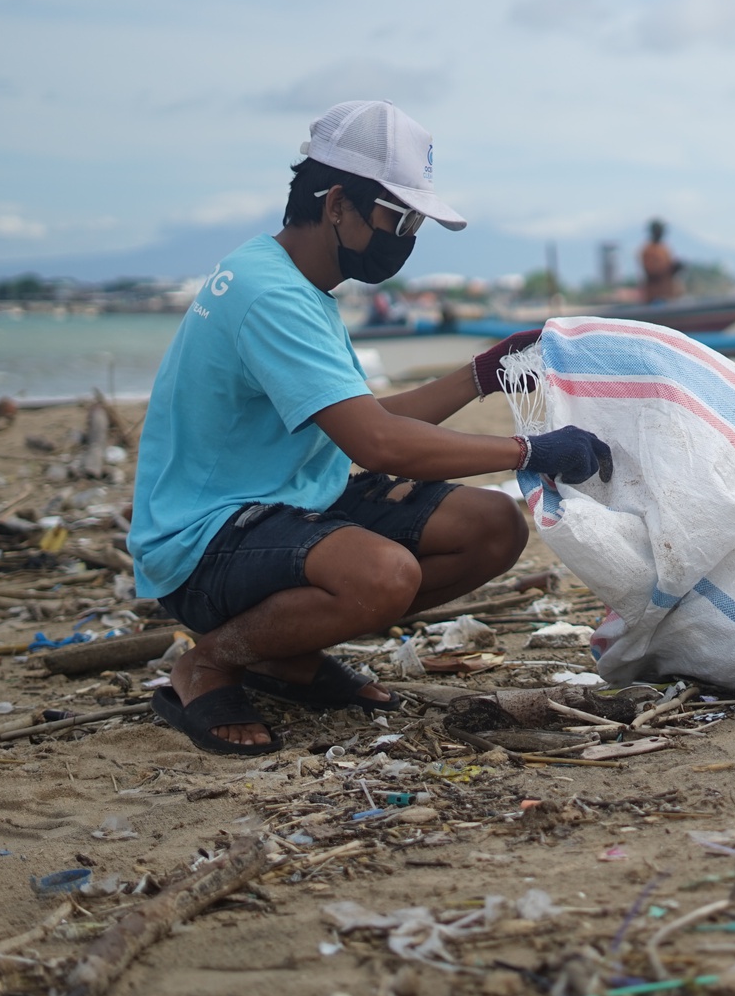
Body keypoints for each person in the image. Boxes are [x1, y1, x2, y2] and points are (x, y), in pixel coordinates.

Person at [129, 100, 611, 755]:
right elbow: (378, 445)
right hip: (205, 539)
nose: (406, 237)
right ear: (336, 205)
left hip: (289, 504)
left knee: (491, 528)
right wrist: (528, 449)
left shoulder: (292, 281)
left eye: (415, 222)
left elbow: (368, 419)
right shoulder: (270, 295)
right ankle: (210, 662)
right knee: (381, 576)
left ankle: (284, 654)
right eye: (398, 217)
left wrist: (482, 375)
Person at [639, 217, 683, 303]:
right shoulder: (648, 250)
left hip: (669, 295)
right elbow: (652, 272)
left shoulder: (664, 248)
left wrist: (675, 268)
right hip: (655, 297)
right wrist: (671, 268)